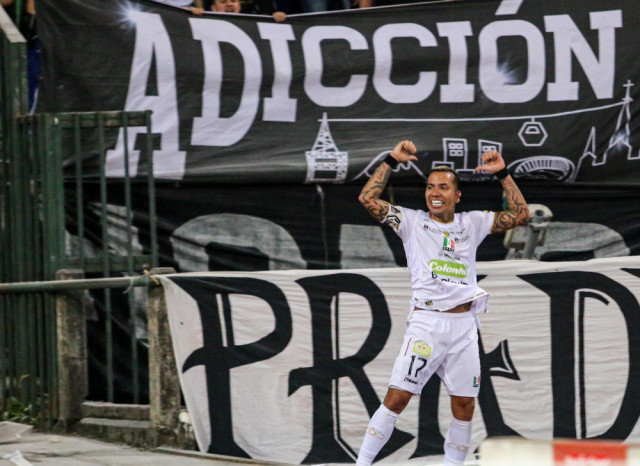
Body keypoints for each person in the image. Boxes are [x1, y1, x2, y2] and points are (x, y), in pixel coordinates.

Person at [356, 140, 530, 466]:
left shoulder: (472, 222)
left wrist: (502, 173)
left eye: (444, 187)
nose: (435, 192)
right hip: (427, 324)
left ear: (457, 195)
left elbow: (522, 214)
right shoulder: (411, 222)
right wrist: (392, 159)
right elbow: (367, 199)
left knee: (465, 404)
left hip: (463, 326)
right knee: (397, 398)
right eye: (430, 186)